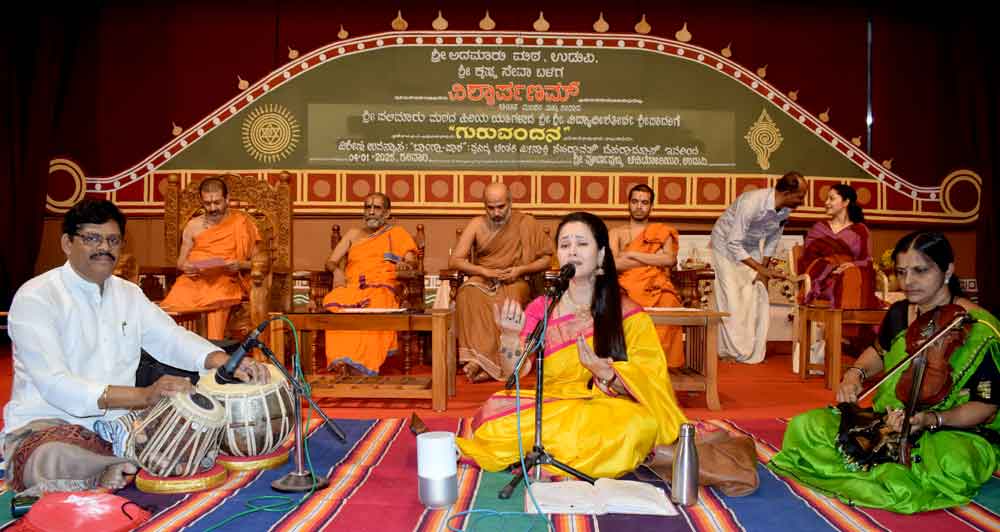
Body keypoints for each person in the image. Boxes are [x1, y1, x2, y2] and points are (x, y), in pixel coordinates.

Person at [3, 199, 268, 496]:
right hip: (49, 424)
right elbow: (55, 385)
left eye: (113, 240)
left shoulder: (128, 293)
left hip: (121, 422)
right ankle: (108, 466)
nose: (104, 248)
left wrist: (223, 360)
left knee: (201, 423)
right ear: (67, 243)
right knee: (49, 457)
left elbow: (170, 337)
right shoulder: (37, 297)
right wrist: (144, 395)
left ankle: (116, 462)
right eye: (92, 238)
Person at [768, 231, 1000, 513]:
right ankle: (885, 473)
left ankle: (881, 474)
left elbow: (986, 407)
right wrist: (855, 374)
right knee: (806, 426)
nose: (908, 281)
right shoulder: (901, 312)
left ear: (948, 270)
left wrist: (931, 419)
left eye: (920, 271)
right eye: (901, 272)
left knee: (954, 463)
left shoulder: (978, 327)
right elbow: (879, 352)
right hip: (891, 419)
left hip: (951, 429)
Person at [456, 212, 687, 478]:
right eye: (565, 245)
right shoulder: (542, 308)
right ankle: (570, 457)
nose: (572, 251)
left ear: (601, 255)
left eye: (582, 243)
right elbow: (514, 374)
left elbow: (653, 381)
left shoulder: (627, 313)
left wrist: (607, 373)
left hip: (610, 409)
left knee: (637, 426)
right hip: (553, 406)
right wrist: (509, 336)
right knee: (496, 415)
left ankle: (545, 459)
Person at [450, 183, 554, 382]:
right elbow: (455, 260)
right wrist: (484, 271)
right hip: (484, 277)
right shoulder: (477, 224)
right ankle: (479, 361)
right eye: (491, 208)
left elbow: (547, 259)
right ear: (484, 206)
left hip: (516, 280)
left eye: (501, 207)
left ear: (510, 203)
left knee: (509, 302)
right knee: (467, 293)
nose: (496, 213)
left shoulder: (526, 223)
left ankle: (491, 364)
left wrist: (521, 270)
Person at [710, 171, 807, 363]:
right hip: (725, 246)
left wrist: (764, 269)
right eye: (800, 196)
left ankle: (748, 351)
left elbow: (773, 238)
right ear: (786, 193)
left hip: (750, 247)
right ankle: (729, 352)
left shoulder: (785, 210)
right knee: (731, 300)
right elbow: (733, 242)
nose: (802, 202)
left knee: (753, 298)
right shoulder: (751, 203)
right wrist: (761, 269)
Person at [321, 193, 418, 375]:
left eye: (377, 208)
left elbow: (412, 262)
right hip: (352, 286)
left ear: (387, 213)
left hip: (382, 286)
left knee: (375, 305)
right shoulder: (353, 234)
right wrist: (337, 271)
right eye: (368, 207)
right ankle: (342, 359)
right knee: (336, 303)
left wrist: (405, 264)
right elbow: (330, 261)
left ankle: (363, 364)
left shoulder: (397, 233)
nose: (371, 212)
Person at [159, 176, 260, 339]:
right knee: (169, 309)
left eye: (217, 202)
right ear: (201, 201)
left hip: (225, 280)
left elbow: (259, 262)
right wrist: (186, 267)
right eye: (207, 203)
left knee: (217, 300)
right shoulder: (193, 226)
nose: (212, 208)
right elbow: (180, 262)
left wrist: (240, 265)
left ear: (227, 199)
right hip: (195, 279)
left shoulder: (241, 223)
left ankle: (214, 348)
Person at [610, 184, 685, 368]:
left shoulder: (661, 232)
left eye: (644, 202)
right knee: (618, 302)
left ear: (651, 206)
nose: (639, 206)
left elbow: (669, 260)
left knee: (670, 302)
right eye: (635, 201)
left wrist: (631, 254)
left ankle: (661, 364)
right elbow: (613, 264)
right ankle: (632, 364)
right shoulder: (616, 233)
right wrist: (654, 258)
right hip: (626, 286)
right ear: (628, 204)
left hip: (657, 286)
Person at [800, 184, 881, 309]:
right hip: (822, 280)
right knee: (844, 283)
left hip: (852, 275)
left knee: (851, 279)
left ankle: (850, 319)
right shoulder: (818, 228)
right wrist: (832, 267)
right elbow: (808, 260)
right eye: (826, 199)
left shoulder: (860, 230)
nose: (826, 203)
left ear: (845, 202)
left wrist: (852, 265)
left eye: (831, 199)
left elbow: (866, 260)